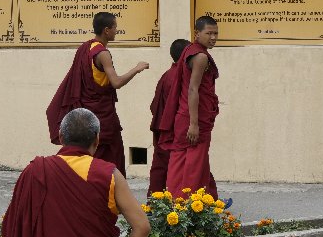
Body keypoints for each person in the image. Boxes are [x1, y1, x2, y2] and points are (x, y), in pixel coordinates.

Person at [2, 108, 151, 237]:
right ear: (97, 139)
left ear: (61, 137)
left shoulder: (35, 172)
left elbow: (10, 229)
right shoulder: (109, 175)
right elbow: (142, 227)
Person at [46, 12, 149, 177]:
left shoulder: (86, 48)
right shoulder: (103, 53)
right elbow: (116, 82)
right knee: (109, 155)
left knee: (86, 154)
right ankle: (108, 188)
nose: (117, 30)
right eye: (115, 27)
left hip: (86, 111)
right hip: (102, 114)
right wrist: (136, 69)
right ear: (107, 30)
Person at [158, 16, 220, 199]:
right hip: (194, 117)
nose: (213, 37)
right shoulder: (200, 56)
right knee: (194, 164)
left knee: (179, 161)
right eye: (209, 33)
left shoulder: (189, 51)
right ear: (197, 33)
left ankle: (174, 202)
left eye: (216, 33)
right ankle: (190, 206)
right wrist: (194, 124)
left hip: (182, 115)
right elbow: (193, 89)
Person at [147, 39, 191, 196]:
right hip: (175, 130)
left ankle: (155, 202)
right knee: (188, 165)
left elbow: (154, 105)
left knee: (161, 166)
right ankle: (207, 200)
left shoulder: (167, 75)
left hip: (163, 128)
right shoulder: (179, 77)